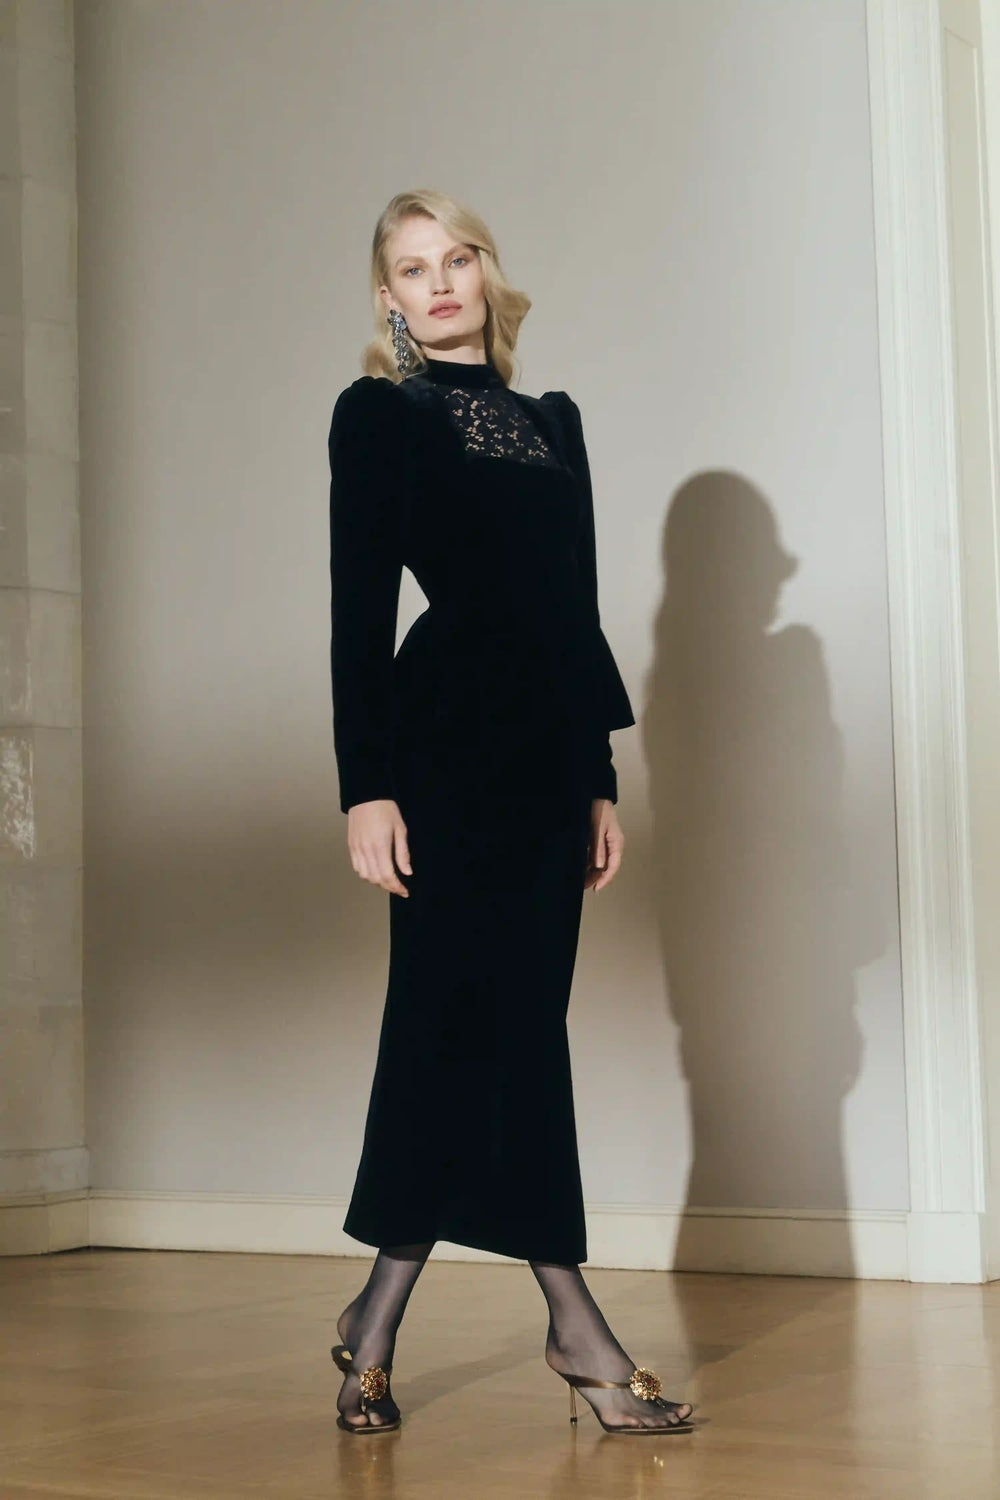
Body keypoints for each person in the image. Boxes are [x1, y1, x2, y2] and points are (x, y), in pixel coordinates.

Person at [327, 189, 696, 1437]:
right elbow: (357, 608)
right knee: (450, 1022)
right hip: (441, 755)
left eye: (457, 258)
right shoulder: (381, 414)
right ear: (388, 295)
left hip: (544, 764)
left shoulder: (552, 423)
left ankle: (376, 1319)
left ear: (487, 273)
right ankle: (573, 1329)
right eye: (411, 267)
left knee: (516, 1027)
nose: (438, 283)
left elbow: (571, 606)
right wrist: (365, 785)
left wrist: (597, 774)